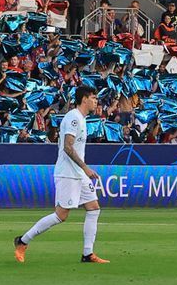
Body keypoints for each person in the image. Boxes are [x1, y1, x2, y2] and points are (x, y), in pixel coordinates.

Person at [14, 85, 109, 264]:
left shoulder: (81, 118)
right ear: (85, 99)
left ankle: (88, 254)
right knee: (61, 215)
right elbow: (67, 147)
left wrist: (83, 170)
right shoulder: (73, 118)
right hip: (68, 173)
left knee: (94, 208)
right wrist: (86, 168)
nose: (96, 102)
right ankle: (22, 240)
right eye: (94, 98)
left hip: (78, 173)